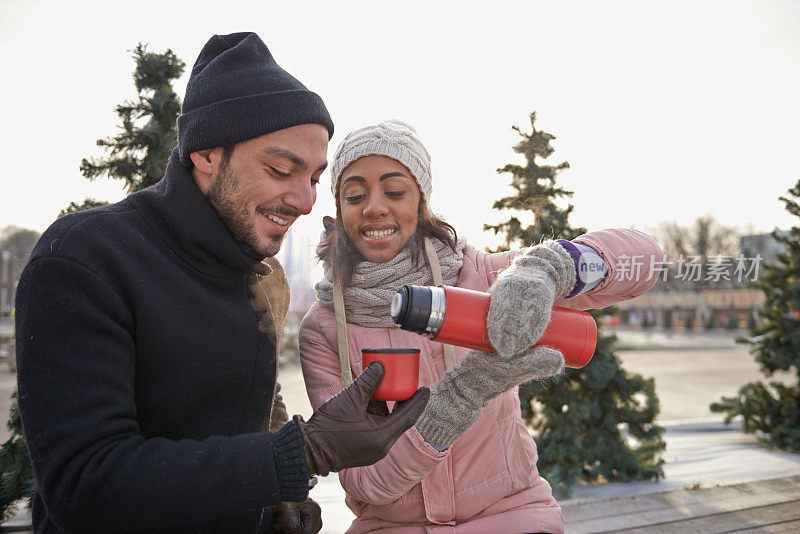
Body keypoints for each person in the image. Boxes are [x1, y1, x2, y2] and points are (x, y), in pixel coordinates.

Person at [14, 34, 428, 534]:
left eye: (316, 177)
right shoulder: (86, 258)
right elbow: (86, 486)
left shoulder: (261, 276)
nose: (304, 199)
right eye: (281, 170)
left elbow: (243, 418)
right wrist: (302, 452)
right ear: (206, 154)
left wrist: (273, 503)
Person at [298, 120, 664, 533]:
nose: (374, 207)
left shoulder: (480, 278)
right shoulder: (324, 328)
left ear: (421, 203)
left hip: (511, 516)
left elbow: (646, 260)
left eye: (395, 191)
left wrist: (552, 267)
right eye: (355, 195)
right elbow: (366, 484)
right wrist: (460, 397)